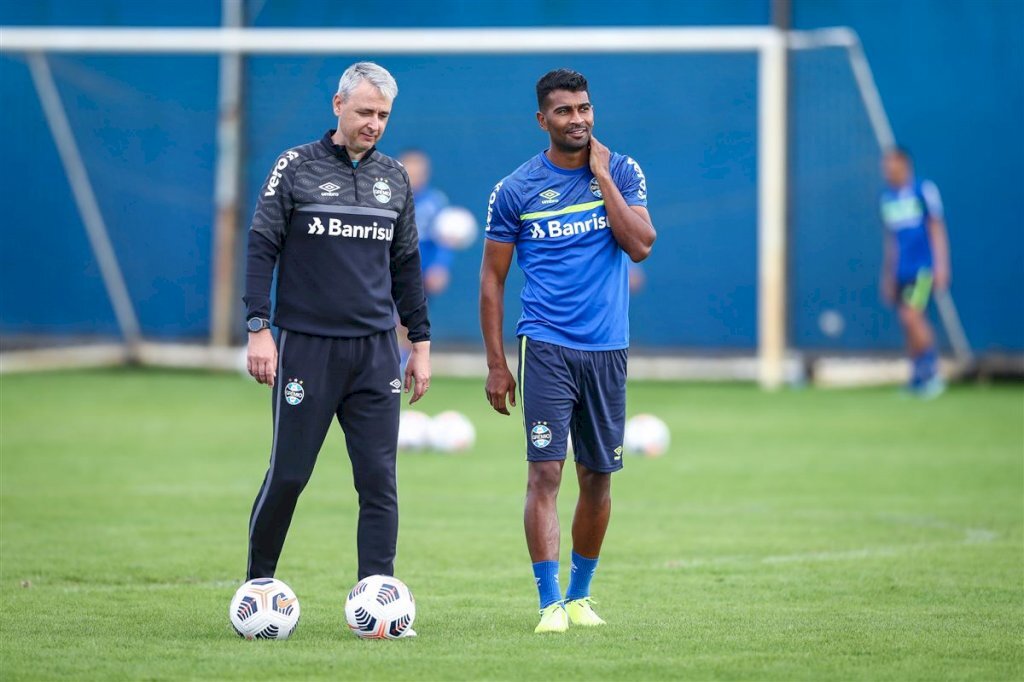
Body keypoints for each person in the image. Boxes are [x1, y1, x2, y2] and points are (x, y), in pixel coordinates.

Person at [242, 62, 430, 628]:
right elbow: (260, 248)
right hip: (307, 348)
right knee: (290, 474)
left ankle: (378, 597)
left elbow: (406, 266)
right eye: (365, 111)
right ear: (337, 105)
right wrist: (259, 328)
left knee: (379, 479)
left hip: (376, 352)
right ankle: (257, 588)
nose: (373, 123)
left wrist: (419, 343)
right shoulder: (294, 168)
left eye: (382, 115)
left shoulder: (394, 178)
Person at [479, 69, 656, 633]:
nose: (577, 119)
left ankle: (580, 596)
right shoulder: (515, 189)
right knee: (545, 475)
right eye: (564, 111)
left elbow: (641, 245)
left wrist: (602, 176)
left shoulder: (623, 170)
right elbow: (492, 279)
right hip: (548, 346)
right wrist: (496, 363)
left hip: (608, 349)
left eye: (584, 108)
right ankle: (548, 602)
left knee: (598, 477)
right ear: (542, 120)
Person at [879, 146, 950, 397]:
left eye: (891, 164)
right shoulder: (888, 198)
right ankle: (917, 376)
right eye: (884, 164)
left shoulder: (922, 191)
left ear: (904, 164)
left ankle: (931, 373)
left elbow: (936, 228)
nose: (887, 169)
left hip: (922, 268)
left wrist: (941, 265)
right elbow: (891, 241)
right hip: (901, 270)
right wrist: (888, 275)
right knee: (906, 322)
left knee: (912, 317)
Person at [399, 149, 455, 297]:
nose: (413, 177)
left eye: (418, 173)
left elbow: (445, 240)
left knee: (410, 317)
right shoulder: (386, 199)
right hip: (391, 271)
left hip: (421, 275)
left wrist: (440, 266)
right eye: (409, 172)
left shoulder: (435, 201)